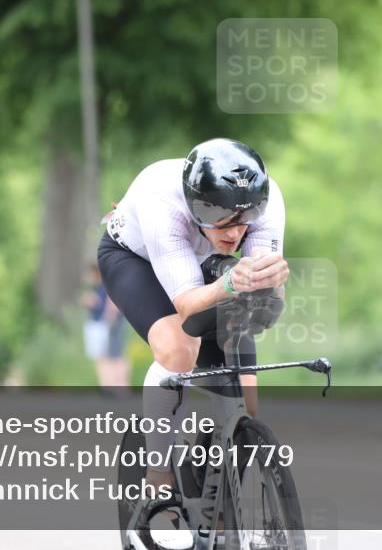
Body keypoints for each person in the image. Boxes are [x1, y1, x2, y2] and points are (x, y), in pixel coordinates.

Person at [98, 138, 288, 545]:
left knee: (246, 399)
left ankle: (218, 507)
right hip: (138, 260)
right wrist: (235, 281)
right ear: (196, 207)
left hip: (209, 269)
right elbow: (186, 306)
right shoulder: (160, 202)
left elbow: (265, 308)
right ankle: (159, 473)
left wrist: (269, 292)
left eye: (244, 223)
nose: (235, 233)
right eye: (221, 222)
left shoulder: (267, 202)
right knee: (179, 349)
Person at [83, 263, 131, 394]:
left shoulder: (107, 284)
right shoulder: (99, 286)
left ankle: (119, 386)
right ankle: (110, 386)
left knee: (114, 355)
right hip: (106, 322)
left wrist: (109, 316)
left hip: (108, 323)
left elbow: (112, 301)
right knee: (108, 355)